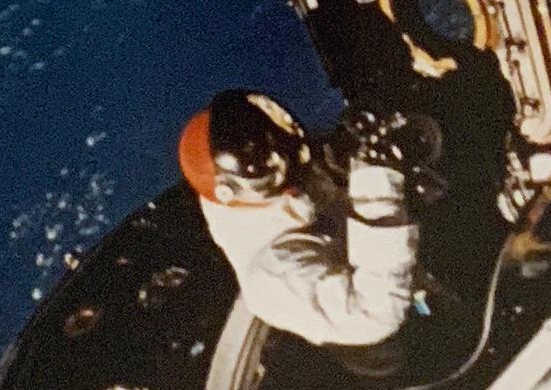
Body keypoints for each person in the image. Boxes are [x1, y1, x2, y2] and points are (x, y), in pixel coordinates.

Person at [177, 89, 435, 351]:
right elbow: (375, 314)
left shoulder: (274, 193)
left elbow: (329, 191)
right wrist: (378, 191)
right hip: (405, 344)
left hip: (417, 274)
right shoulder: (272, 278)